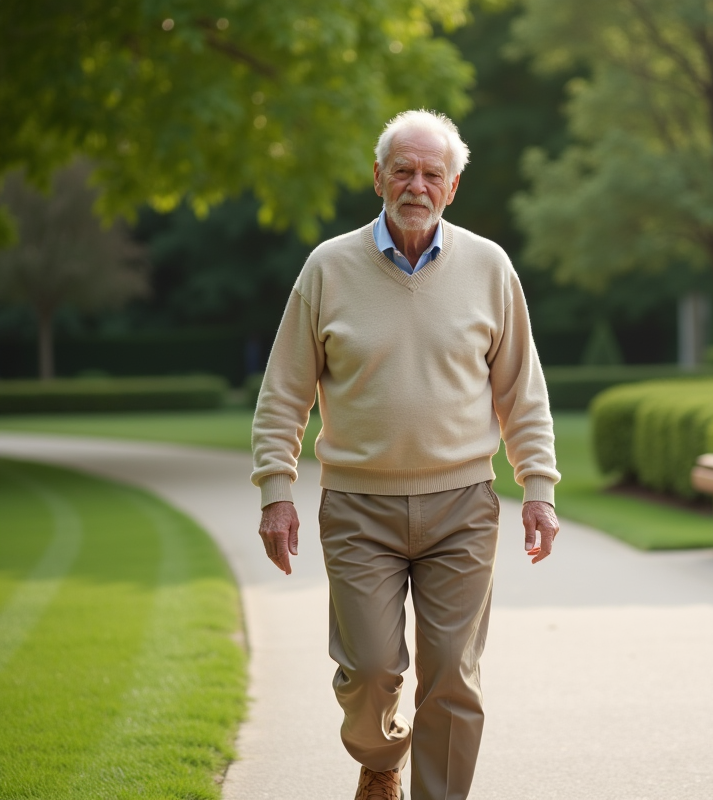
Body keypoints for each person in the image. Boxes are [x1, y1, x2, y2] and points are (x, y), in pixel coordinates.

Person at [250, 109, 561, 800]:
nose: (417, 185)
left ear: (452, 187)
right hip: (358, 509)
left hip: (463, 508)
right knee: (369, 672)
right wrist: (276, 491)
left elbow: (522, 392)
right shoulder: (327, 268)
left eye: (431, 174)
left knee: (452, 675)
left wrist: (538, 488)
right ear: (378, 178)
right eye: (403, 171)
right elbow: (283, 393)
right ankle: (380, 759)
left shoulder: (490, 267)